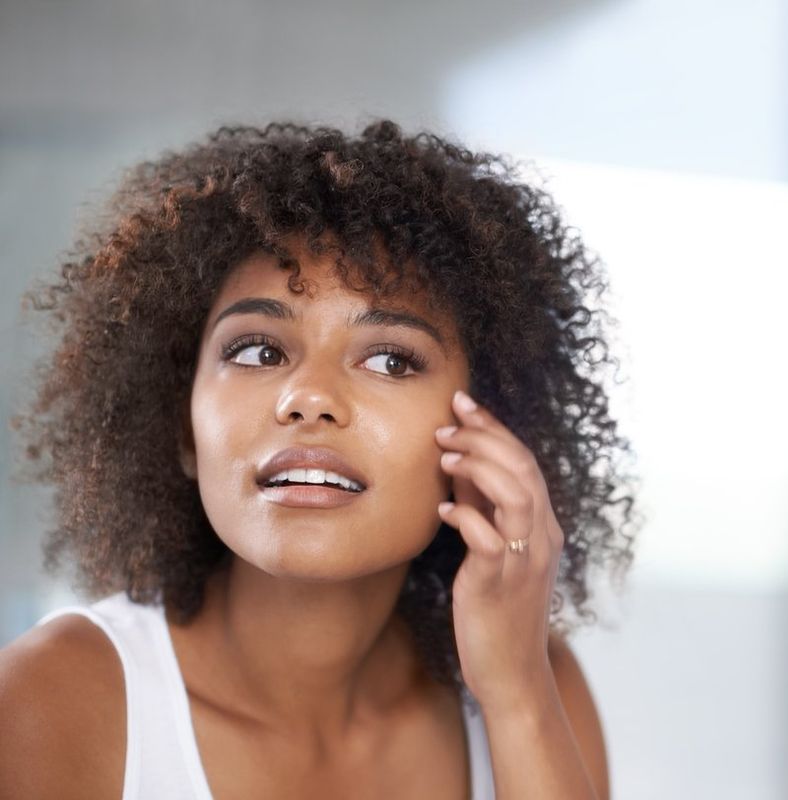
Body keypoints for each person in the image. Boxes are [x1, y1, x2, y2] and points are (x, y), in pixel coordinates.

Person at [0, 120, 638, 799]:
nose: (309, 397)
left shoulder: (534, 687)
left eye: (391, 359)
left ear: (493, 436)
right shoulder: (54, 700)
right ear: (182, 428)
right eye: (257, 351)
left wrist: (517, 696)